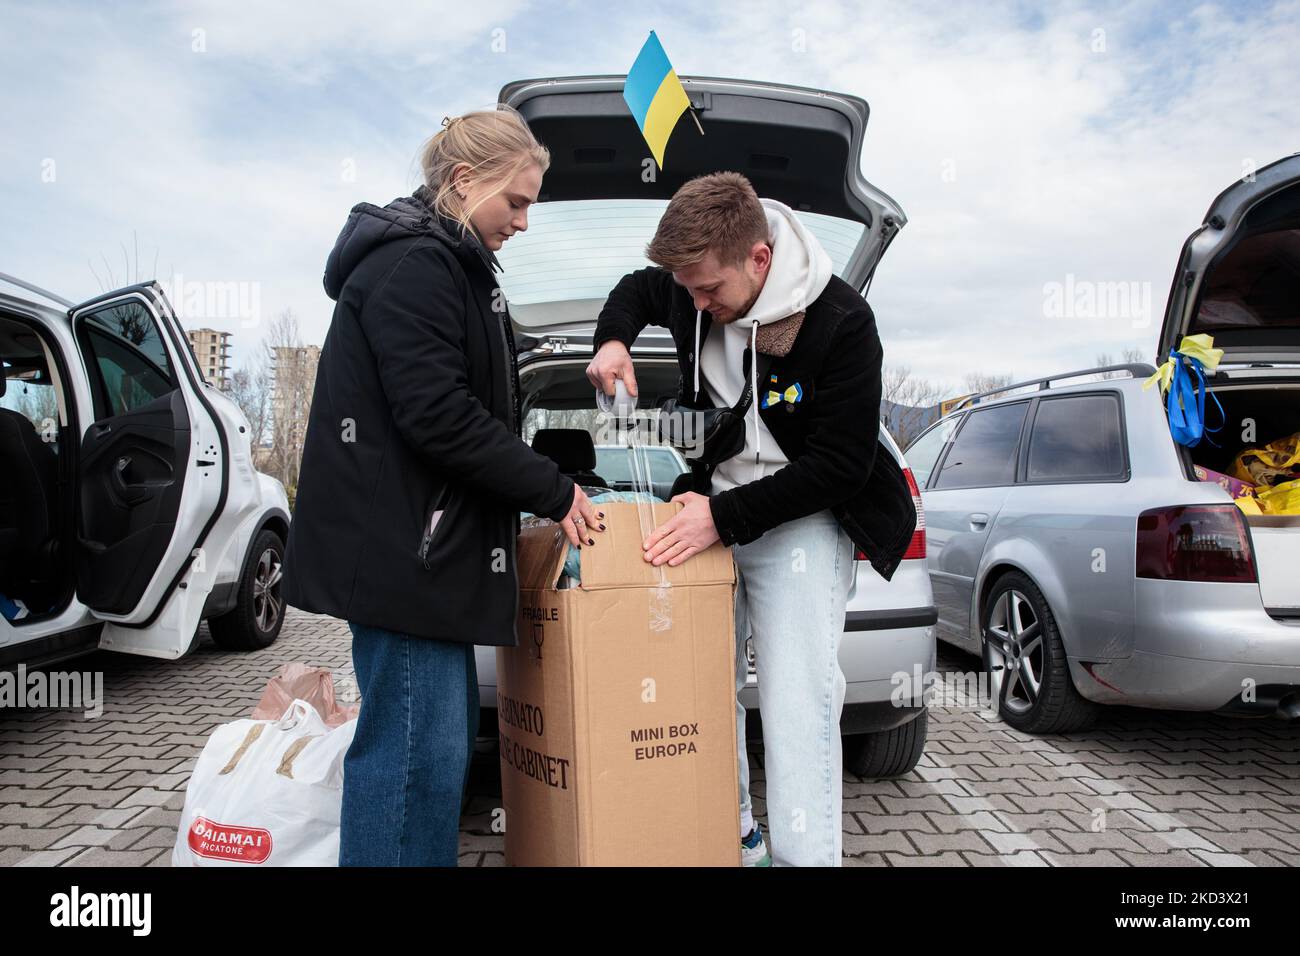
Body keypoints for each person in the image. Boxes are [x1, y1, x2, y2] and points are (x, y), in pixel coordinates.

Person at [283, 105, 605, 867]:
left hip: (424, 561)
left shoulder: (445, 263)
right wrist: (552, 492)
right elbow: (438, 416)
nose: (524, 222)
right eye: (516, 201)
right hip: (405, 562)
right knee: (408, 767)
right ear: (464, 181)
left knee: (429, 764)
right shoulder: (415, 264)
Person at [586, 171, 915, 866]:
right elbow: (632, 291)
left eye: (709, 289)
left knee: (799, 704)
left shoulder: (842, 322)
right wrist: (613, 340)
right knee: (702, 687)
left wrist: (722, 519)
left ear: (759, 259)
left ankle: (807, 859)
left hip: (802, 518)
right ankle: (735, 835)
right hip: (713, 509)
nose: (696, 302)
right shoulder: (691, 283)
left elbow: (839, 467)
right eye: (687, 289)